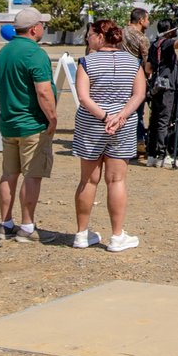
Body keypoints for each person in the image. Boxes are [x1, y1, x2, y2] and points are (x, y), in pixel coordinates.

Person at [71, 19, 144, 252]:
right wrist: (119, 115)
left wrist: (104, 117)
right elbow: (139, 94)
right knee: (117, 180)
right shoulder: (133, 62)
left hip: (92, 124)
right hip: (122, 124)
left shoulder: (86, 62)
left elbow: (84, 97)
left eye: (90, 34)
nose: (87, 38)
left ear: (101, 37)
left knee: (88, 179)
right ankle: (116, 235)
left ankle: (82, 233)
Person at [0, 7, 58, 244]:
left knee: (9, 174)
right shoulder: (35, 54)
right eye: (42, 24)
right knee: (32, 175)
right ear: (34, 28)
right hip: (31, 124)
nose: (44, 28)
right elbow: (43, 91)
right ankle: (27, 226)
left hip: (8, 122)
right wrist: (52, 118)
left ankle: (5, 223)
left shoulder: (2, 53)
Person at [147, 14, 178, 168]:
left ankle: (152, 154)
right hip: (167, 88)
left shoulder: (154, 44)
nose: (175, 33)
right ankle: (162, 155)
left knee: (155, 119)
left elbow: (148, 68)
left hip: (157, 86)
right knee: (163, 121)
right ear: (168, 31)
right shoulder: (166, 43)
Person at [122, 8, 152, 150]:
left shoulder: (120, 32)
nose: (149, 22)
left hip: (120, 76)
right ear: (141, 20)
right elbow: (147, 63)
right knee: (137, 112)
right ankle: (138, 143)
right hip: (136, 77)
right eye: (147, 19)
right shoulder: (141, 38)